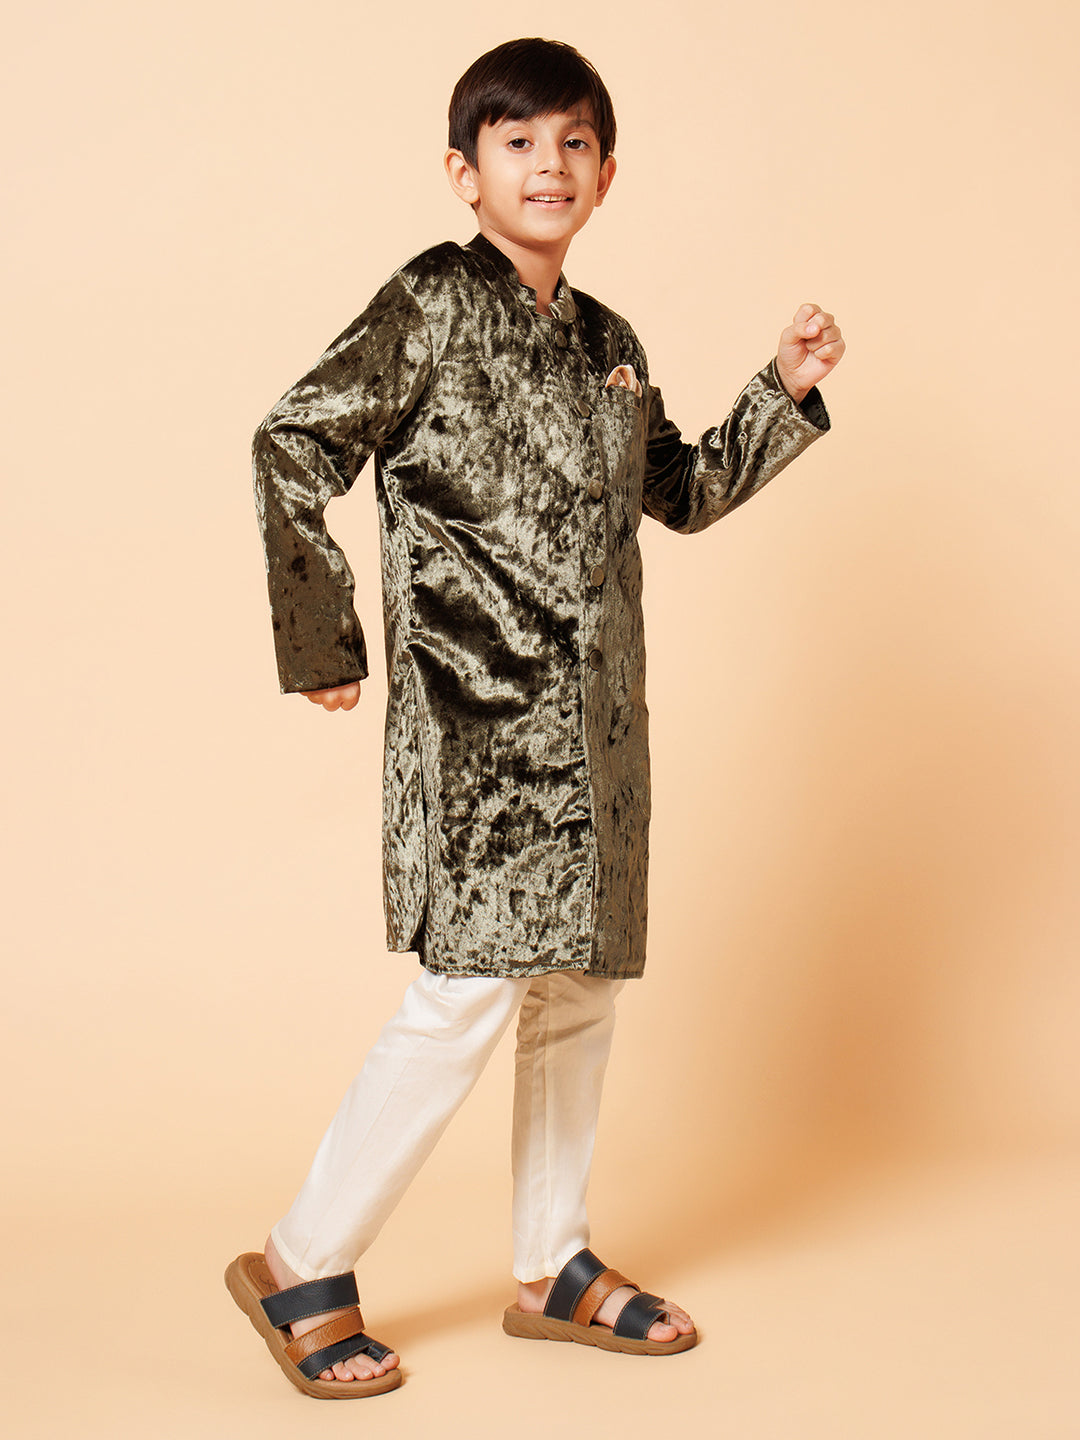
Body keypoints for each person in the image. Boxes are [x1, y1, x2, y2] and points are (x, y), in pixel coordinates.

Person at [225, 36, 845, 1399]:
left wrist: (782, 392)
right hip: (478, 729)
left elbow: (679, 491)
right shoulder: (429, 306)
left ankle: (550, 1259)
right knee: (467, 991)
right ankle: (299, 1258)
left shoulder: (611, 343)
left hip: (599, 733)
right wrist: (322, 633)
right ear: (466, 171)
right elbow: (293, 439)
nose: (547, 166)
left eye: (573, 144)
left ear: (607, 175)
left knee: (579, 989)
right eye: (517, 143)